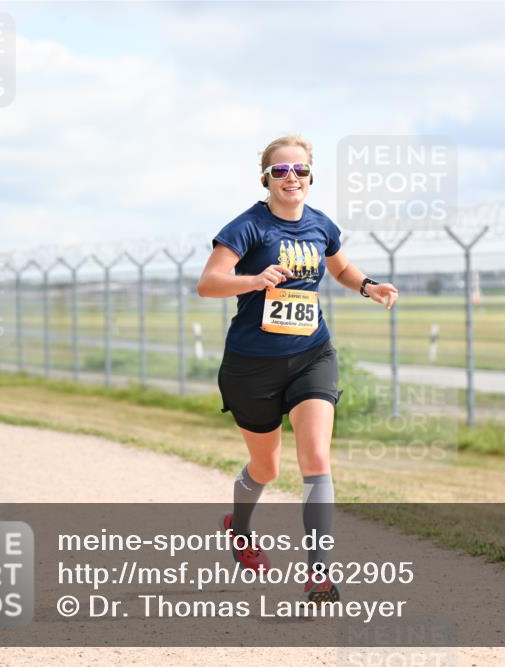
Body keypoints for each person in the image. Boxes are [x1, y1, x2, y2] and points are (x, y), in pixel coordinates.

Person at [196, 134, 398, 604]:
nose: (292, 178)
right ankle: (240, 529)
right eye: (281, 171)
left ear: (311, 177)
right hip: (252, 366)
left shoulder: (321, 225)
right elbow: (208, 284)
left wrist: (368, 286)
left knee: (317, 460)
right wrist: (253, 280)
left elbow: (341, 269)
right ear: (265, 178)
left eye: (300, 170)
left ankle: (319, 574)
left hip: (312, 355)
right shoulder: (247, 227)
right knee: (265, 468)